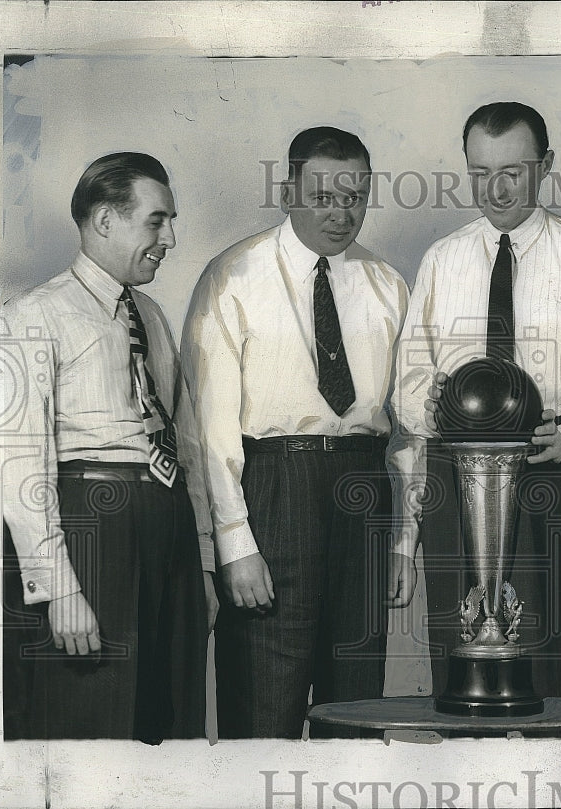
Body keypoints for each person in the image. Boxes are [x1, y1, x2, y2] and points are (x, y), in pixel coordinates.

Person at [393, 102, 561, 701]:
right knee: (466, 668)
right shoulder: (442, 259)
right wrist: (429, 408)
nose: (496, 188)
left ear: (547, 166)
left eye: (512, 170)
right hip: (459, 479)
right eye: (479, 173)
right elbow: (406, 386)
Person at [182, 127, 416, 739]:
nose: (342, 214)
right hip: (273, 491)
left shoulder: (388, 286)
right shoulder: (233, 275)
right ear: (288, 191)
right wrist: (234, 544)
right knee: (264, 700)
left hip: (364, 491)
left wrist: (402, 542)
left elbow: (413, 427)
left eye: (356, 196)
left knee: (357, 704)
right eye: (323, 196)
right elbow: (209, 427)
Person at [0, 152, 218, 742]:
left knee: (167, 724)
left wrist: (199, 562)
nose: (170, 238)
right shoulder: (32, 316)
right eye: (156, 220)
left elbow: (186, 443)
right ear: (104, 221)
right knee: (90, 723)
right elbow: (18, 463)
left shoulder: (150, 315)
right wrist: (57, 585)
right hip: (90, 530)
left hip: (166, 528)